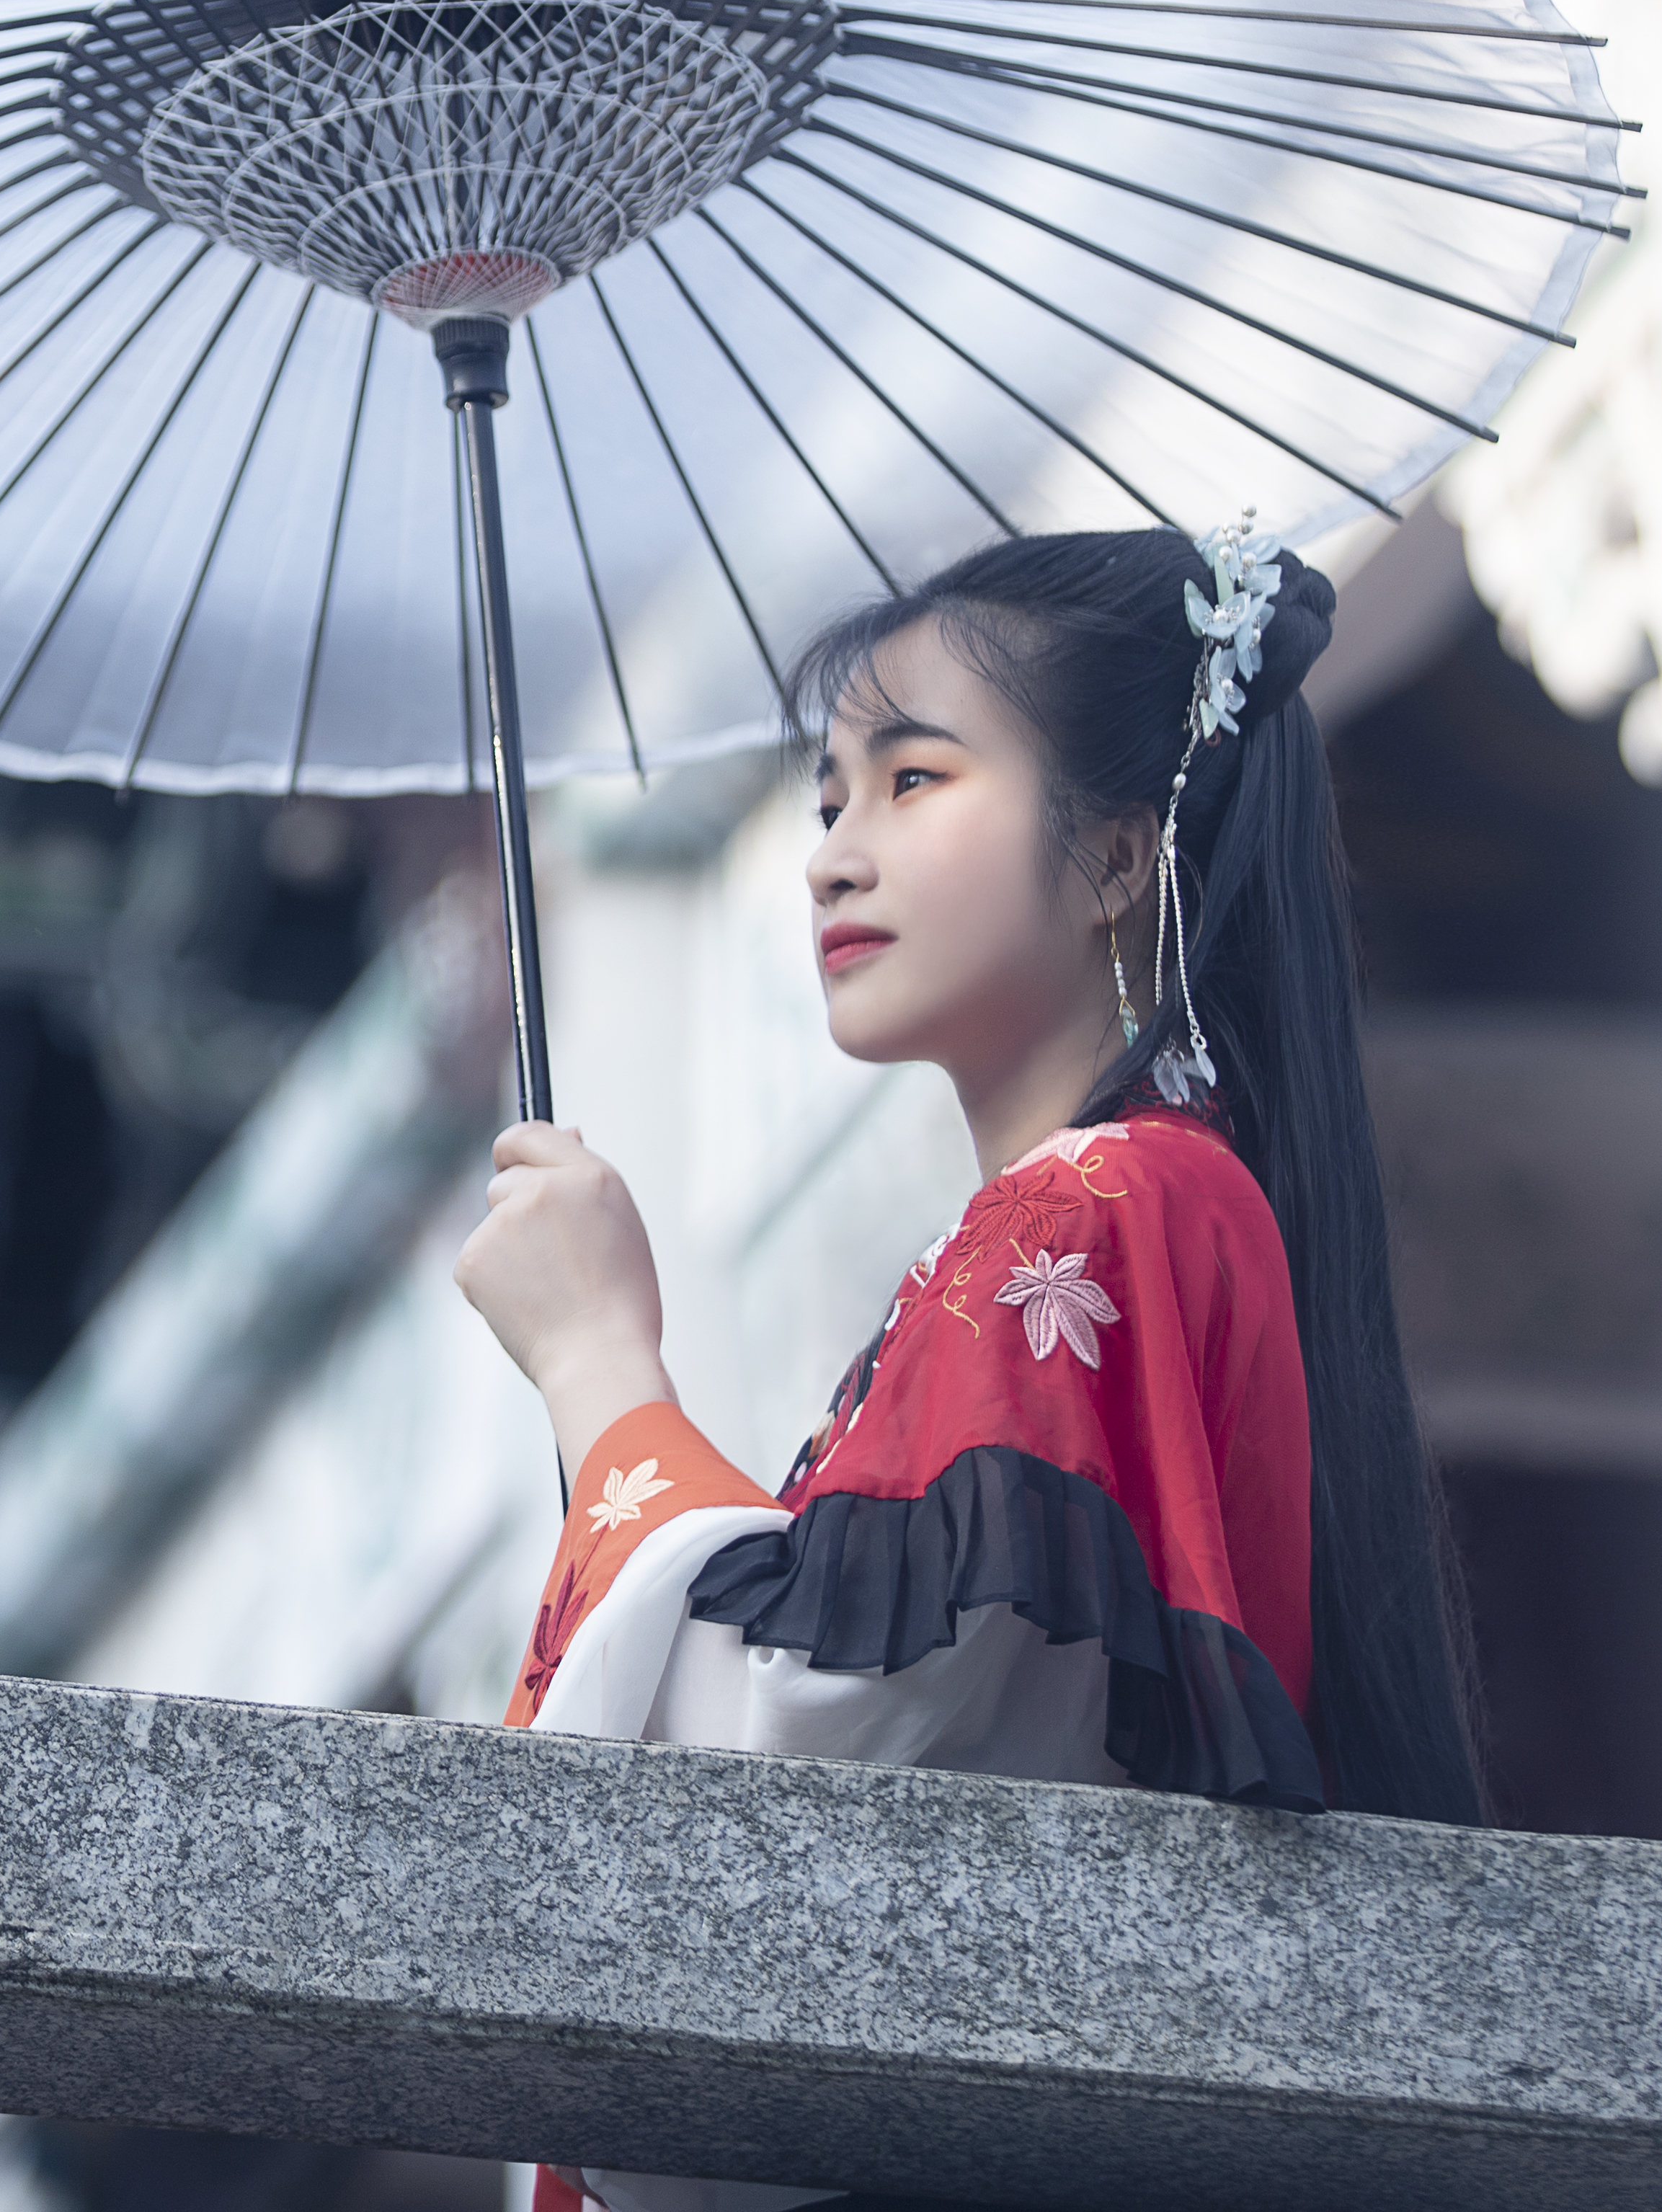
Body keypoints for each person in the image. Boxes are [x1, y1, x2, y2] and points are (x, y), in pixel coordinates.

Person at [454, 523, 1480, 2212]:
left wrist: (598, 1362)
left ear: (1112, 859)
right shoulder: (1090, 1218)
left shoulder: (1112, 1200)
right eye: (828, 797)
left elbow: (799, 1769)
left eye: (914, 777)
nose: (832, 856)